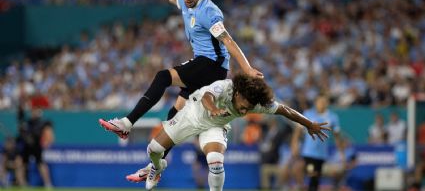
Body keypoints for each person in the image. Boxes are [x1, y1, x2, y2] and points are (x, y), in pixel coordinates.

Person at [99, 0, 263, 180]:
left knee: (163, 77)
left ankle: (126, 124)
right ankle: (154, 168)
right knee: (173, 114)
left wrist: (247, 68)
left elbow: (229, 41)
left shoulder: (209, 12)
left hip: (212, 65)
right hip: (203, 65)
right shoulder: (184, 2)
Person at [126, 73, 330, 190]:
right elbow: (207, 97)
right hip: (193, 115)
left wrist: (308, 123)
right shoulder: (225, 87)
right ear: (238, 93)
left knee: (215, 160)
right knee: (153, 149)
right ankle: (158, 165)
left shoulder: (255, 103)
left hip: (216, 125)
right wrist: (214, 109)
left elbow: (284, 110)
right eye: (244, 105)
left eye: (250, 108)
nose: (245, 110)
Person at [291, 94, 344, 191]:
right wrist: (294, 145)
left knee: (315, 178)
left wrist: (341, 154)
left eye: (324, 102)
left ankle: (302, 187)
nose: (322, 104)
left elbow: (337, 137)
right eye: (320, 102)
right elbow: (297, 132)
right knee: (308, 172)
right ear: (316, 103)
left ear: (327, 103)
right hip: (308, 152)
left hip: (321, 154)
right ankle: (300, 186)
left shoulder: (333, 117)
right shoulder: (308, 114)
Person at [19, 108, 54, 188]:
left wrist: (47, 142)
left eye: (36, 111)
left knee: (41, 164)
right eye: (33, 111)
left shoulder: (43, 123)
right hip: (27, 146)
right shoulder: (28, 122)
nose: (34, 113)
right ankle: (23, 184)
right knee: (23, 164)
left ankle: (48, 184)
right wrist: (25, 136)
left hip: (37, 146)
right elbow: (22, 133)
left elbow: (48, 134)